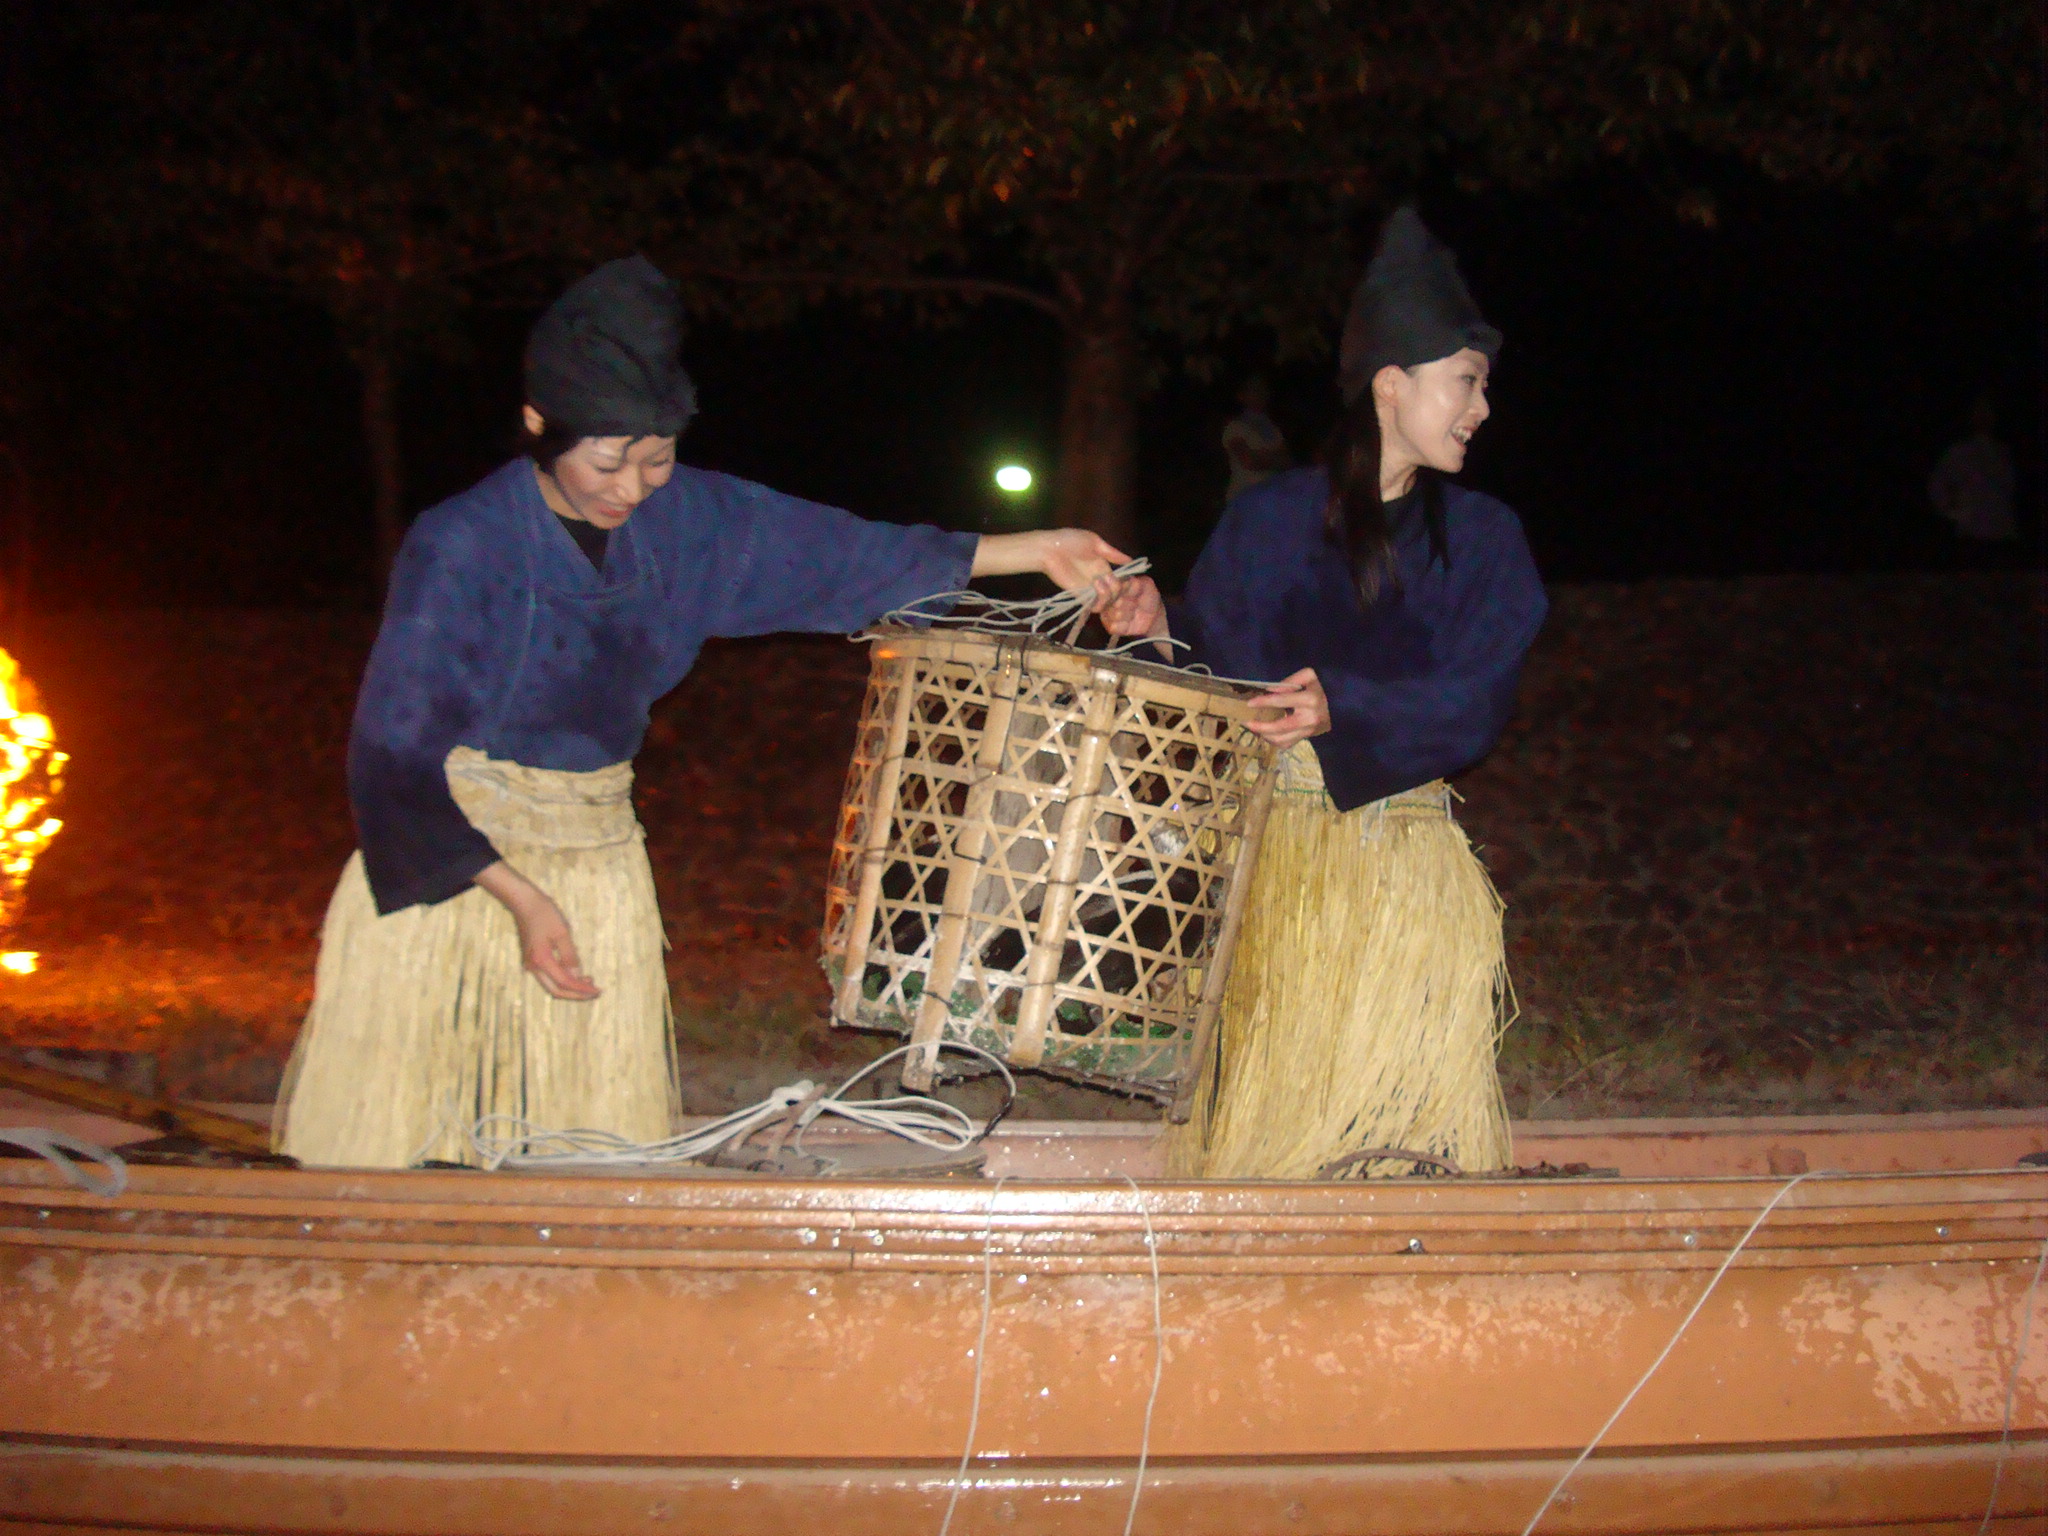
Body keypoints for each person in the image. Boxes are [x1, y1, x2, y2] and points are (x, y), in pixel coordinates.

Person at [276, 255, 1161, 1169]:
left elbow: (844, 556)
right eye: (606, 462)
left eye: (656, 460)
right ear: (538, 425)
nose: (631, 489)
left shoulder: (690, 522)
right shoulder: (461, 545)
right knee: (419, 1147)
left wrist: (1034, 548)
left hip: (596, 857)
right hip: (461, 869)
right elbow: (390, 756)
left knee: (582, 1156)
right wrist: (519, 895)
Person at [1158, 208, 1548, 1180]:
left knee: (1406, 1127)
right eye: (1466, 381)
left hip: (1408, 867)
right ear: (1390, 383)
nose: (1481, 408)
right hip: (1278, 865)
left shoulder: (1486, 541)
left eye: (1483, 387)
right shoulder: (1265, 523)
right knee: (1273, 1126)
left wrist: (1351, 707)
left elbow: (1477, 698)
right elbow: (1214, 667)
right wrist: (1151, 625)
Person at [1928, 396, 2017, 543]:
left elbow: (2009, 489)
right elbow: (1937, 486)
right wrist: (1956, 513)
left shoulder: (2003, 452)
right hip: (1971, 533)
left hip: (2002, 532)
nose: (1983, 415)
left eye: (1987, 411)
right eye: (1979, 411)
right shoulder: (1959, 452)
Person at [1221, 375, 1292, 502]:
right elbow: (1249, 461)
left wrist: (1261, 457)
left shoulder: (1273, 428)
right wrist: (1273, 458)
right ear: (1241, 396)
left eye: (1263, 389)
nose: (1260, 393)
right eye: (1254, 389)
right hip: (1245, 497)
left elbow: (1287, 461)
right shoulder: (1235, 427)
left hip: (1272, 496)